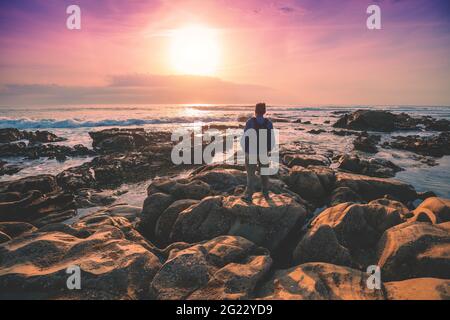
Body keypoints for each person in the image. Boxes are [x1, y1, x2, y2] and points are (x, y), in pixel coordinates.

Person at [242, 102, 274, 201]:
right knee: (264, 173)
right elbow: (272, 140)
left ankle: (249, 194)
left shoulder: (250, 122)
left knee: (250, 174)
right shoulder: (269, 123)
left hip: (251, 151)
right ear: (265, 111)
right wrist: (269, 150)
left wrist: (245, 151)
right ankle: (265, 192)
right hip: (263, 151)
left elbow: (245, 138)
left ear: (255, 111)